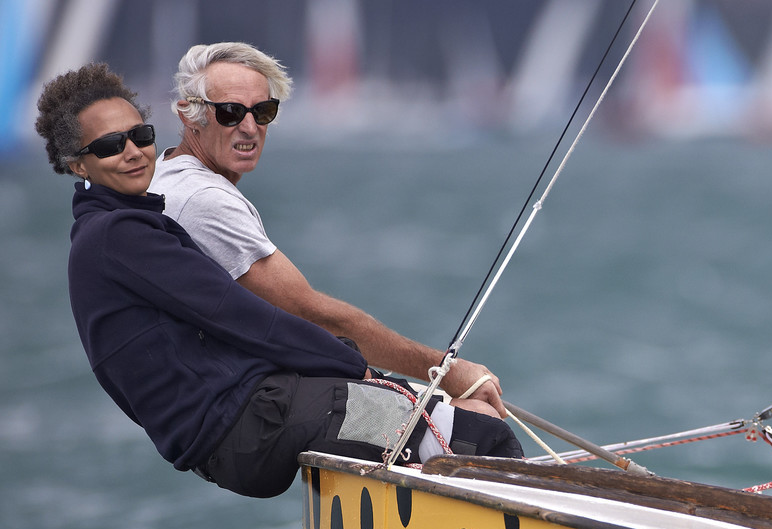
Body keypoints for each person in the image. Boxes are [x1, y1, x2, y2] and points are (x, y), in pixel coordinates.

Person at [37, 63, 521, 499]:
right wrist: (361, 370)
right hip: (253, 422)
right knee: (481, 432)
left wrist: (379, 383)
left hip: (240, 425)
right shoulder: (119, 235)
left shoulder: (119, 227)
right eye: (108, 145)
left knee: (439, 420)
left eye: (138, 135)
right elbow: (245, 318)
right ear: (76, 164)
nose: (132, 152)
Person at [149, 41, 507, 419]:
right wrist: (444, 371)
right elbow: (310, 313)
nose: (250, 127)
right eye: (231, 112)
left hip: (220, 398)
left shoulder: (166, 174)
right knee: (479, 423)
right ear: (189, 115)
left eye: (263, 111)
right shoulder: (203, 199)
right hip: (240, 413)